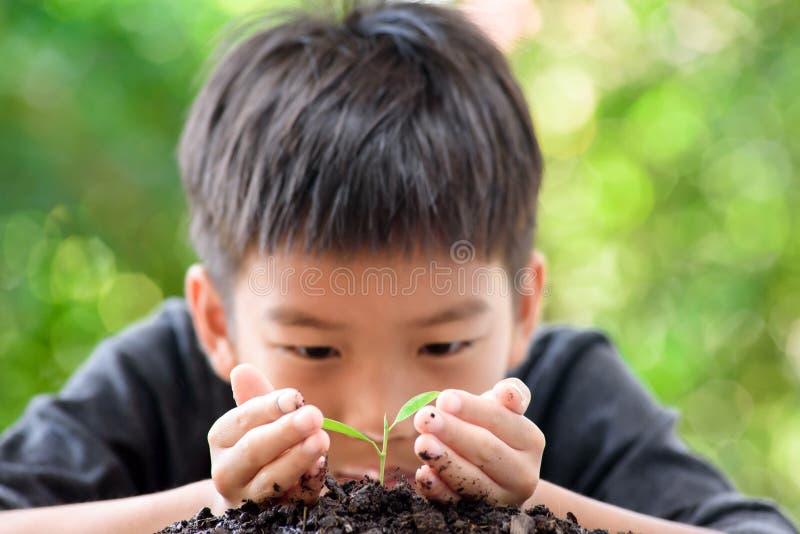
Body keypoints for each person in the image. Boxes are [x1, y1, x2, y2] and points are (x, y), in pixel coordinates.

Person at [0, 1, 796, 533]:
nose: (384, 418)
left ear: (523, 308)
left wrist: (531, 508)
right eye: (314, 351)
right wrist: (210, 506)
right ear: (217, 321)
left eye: (443, 348)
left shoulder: (569, 387)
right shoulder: (160, 379)